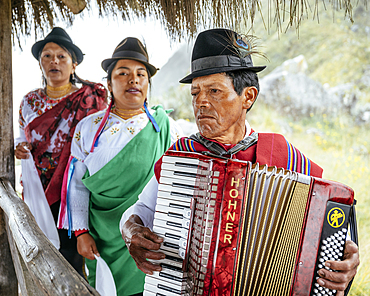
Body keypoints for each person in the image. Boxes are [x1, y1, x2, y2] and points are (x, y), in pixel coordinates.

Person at [120, 28, 360, 295]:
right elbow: (140, 210)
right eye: (195, 93)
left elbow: (326, 228)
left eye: (214, 91)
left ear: (248, 97)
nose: (201, 102)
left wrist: (346, 257)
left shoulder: (285, 156)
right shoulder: (182, 156)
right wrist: (131, 231)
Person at [57, 37, 183, 296]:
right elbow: (77, 184)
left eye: (140, 74)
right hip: (103, 237)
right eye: (123, 73)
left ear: (148, 83)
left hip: (152, 234)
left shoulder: (168, 129)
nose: (133, 80)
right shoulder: (88, 129)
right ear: (109, 83)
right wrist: (80, 232)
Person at [14, 27, 107, 276]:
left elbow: (101, 137)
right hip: (38, 189)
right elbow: (22, 136)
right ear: (40, 63)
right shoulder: (29, 102)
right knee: (39, 252)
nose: (54, 61)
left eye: (61, 56)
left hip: (74, 189)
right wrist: (20, 147)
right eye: (47, 56)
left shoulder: (89, 99)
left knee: (72, 257)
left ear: (74, 64)